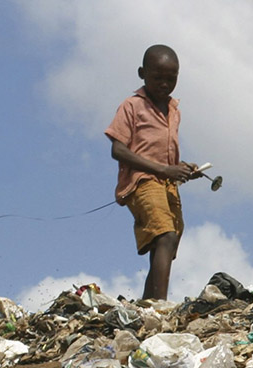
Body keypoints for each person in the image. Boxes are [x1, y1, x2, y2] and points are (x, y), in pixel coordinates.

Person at [105, 44, 201, 300]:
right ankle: (160, 305)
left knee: (165, 245)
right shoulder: (132, 106)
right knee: (165, 236)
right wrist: (163, 169)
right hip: (143, 181)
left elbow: (163, 151)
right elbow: (118, 149)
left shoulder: (173, 110)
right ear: (142, 73)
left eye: (171, 78)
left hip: (167, 184)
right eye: (158, 77)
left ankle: (148, 305)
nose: (164, 83)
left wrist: (183, 169)